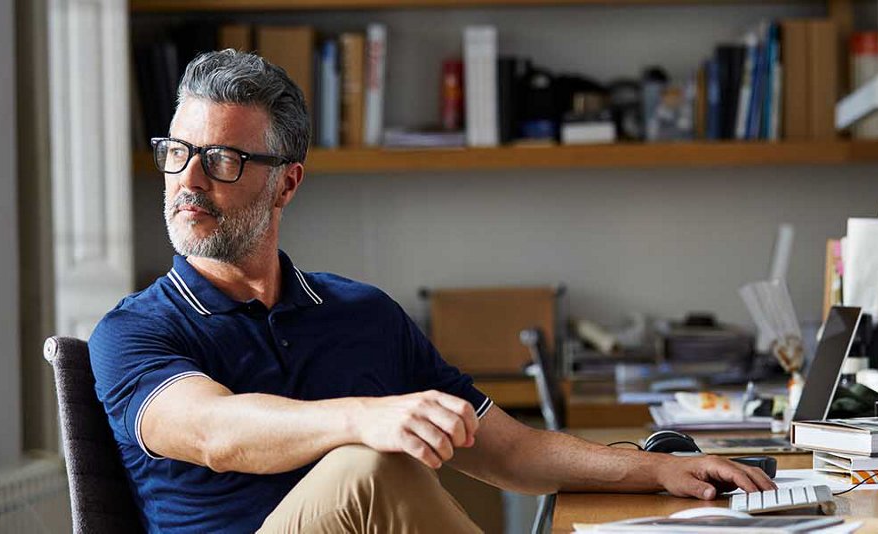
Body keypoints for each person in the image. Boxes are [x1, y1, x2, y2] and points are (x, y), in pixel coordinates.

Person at [89, 50, 775, 534]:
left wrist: (654, 471)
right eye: (177, 152)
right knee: (366, 468)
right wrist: (364, 418)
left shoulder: (360, 313)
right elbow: (214, 434)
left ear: (287, 183)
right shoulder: (134, 332)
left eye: (222, 160)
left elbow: (507, 451)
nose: (189, 181)